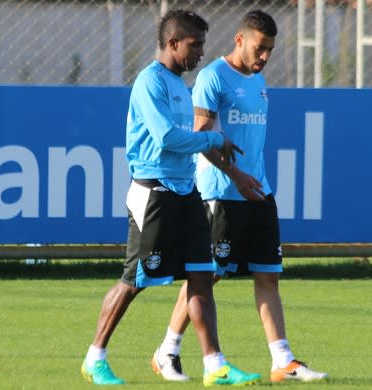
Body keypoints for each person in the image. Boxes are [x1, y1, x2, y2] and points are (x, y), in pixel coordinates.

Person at [80, 9, 261, 386]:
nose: (200, 53)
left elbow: (182, 137)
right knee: (133, 280)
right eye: (194, 46)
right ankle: (94, 357)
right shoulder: (150, 82)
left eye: (202, 46)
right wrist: (213, 139)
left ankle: (216, 366)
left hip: (185, 190)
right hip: (154, 192)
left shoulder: (181, 84)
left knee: (201, 275)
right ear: (173, 43)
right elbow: (166, 137)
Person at [150, 10, 329, 384]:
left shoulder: (258, 79)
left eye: (270, 50)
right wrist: (237, 176)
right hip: (223, 192)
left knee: (268, 275)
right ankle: (167, 350)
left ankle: (283, 360)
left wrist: (253, 182)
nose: (264, 57)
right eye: (259, 48)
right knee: (207, 276)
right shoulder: (213, 77)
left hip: (258, 190)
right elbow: (201, 138)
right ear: (239, 39)